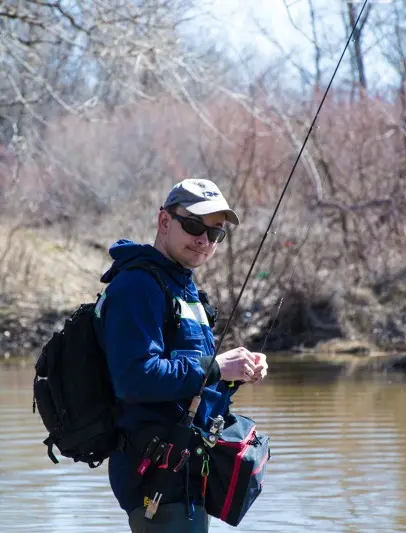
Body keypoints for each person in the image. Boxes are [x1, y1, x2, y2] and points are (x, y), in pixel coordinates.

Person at [93, 178, 268, 533]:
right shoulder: (137, 286)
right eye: (193, 226)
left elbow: (191, 382)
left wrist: (234, 372)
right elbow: (135, 378)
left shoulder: (184, 288)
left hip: (187, 475)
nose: (204, 240)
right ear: (164, 222)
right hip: (155, 478)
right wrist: (216, 366)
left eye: (215, 234)